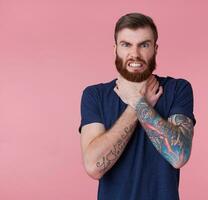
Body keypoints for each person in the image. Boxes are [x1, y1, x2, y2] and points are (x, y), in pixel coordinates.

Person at [78, 12, 196, 200]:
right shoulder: (95, 95)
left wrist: (140, 103)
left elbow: (179, 157)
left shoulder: (177, 89)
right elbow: (93, 167)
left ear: (155, 49)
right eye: (126, 45)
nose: (135, 54)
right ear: (115, 49)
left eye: (144, 45)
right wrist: (136, 106)